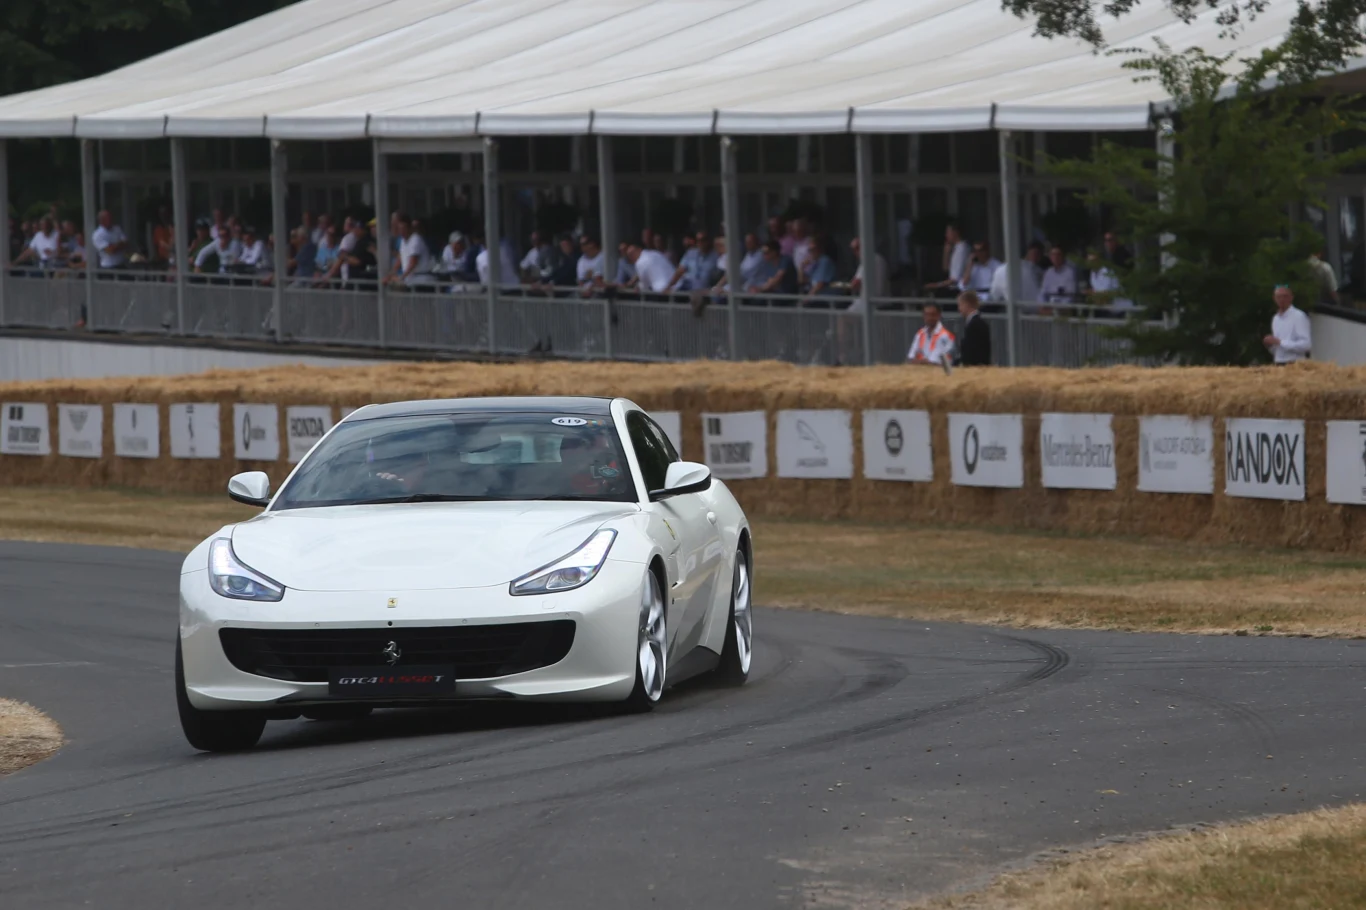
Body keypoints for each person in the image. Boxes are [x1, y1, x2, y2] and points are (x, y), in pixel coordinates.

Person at [1264, 284, 1311, 364]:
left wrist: (1280, 342)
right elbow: (1278, 349)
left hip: (1295, 363)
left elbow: (1306, 345)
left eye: (1285, 296)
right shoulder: (1276, 319)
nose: (1282, 300)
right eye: (1278, 297)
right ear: (1274, 299)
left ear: (1291, 298)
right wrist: (1270, 345)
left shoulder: (1298, 316)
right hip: (1278, 362)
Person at [925, 223, 970, 296]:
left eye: (948, 232)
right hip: (952, 288)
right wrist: (946, 253)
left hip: (958, 290)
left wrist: (936, 285)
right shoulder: (956, 248)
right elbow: (946, 269)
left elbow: (955, 279)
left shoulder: (962, 249)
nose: (946, 235)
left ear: (955, 232)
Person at [849, 237, 889, 305]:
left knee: (842, 315)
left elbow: (855, 283)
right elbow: (855, 283)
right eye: (854, 250)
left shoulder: (874, 260)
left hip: (874, 303)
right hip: (868, 302)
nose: (855, 252)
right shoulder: (866, 262)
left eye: (857, 248)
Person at [956, 291, 991, 366]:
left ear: (966, 304)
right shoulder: (975, 322)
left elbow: (973, 350)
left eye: (960, 305)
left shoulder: (975, 324)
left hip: (975, 368)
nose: (959, 309)